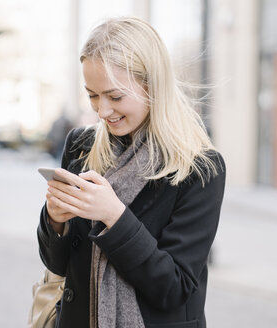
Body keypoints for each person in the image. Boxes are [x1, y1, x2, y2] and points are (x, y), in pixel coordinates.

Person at [37, 17, 225, 328]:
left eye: (115, 96)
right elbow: (56, 264)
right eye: (92, 95)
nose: (102, 111)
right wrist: (56, 220)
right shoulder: (81, 146)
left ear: (152, 86)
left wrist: (115, 217)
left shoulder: (199, 167)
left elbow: (175, 289)